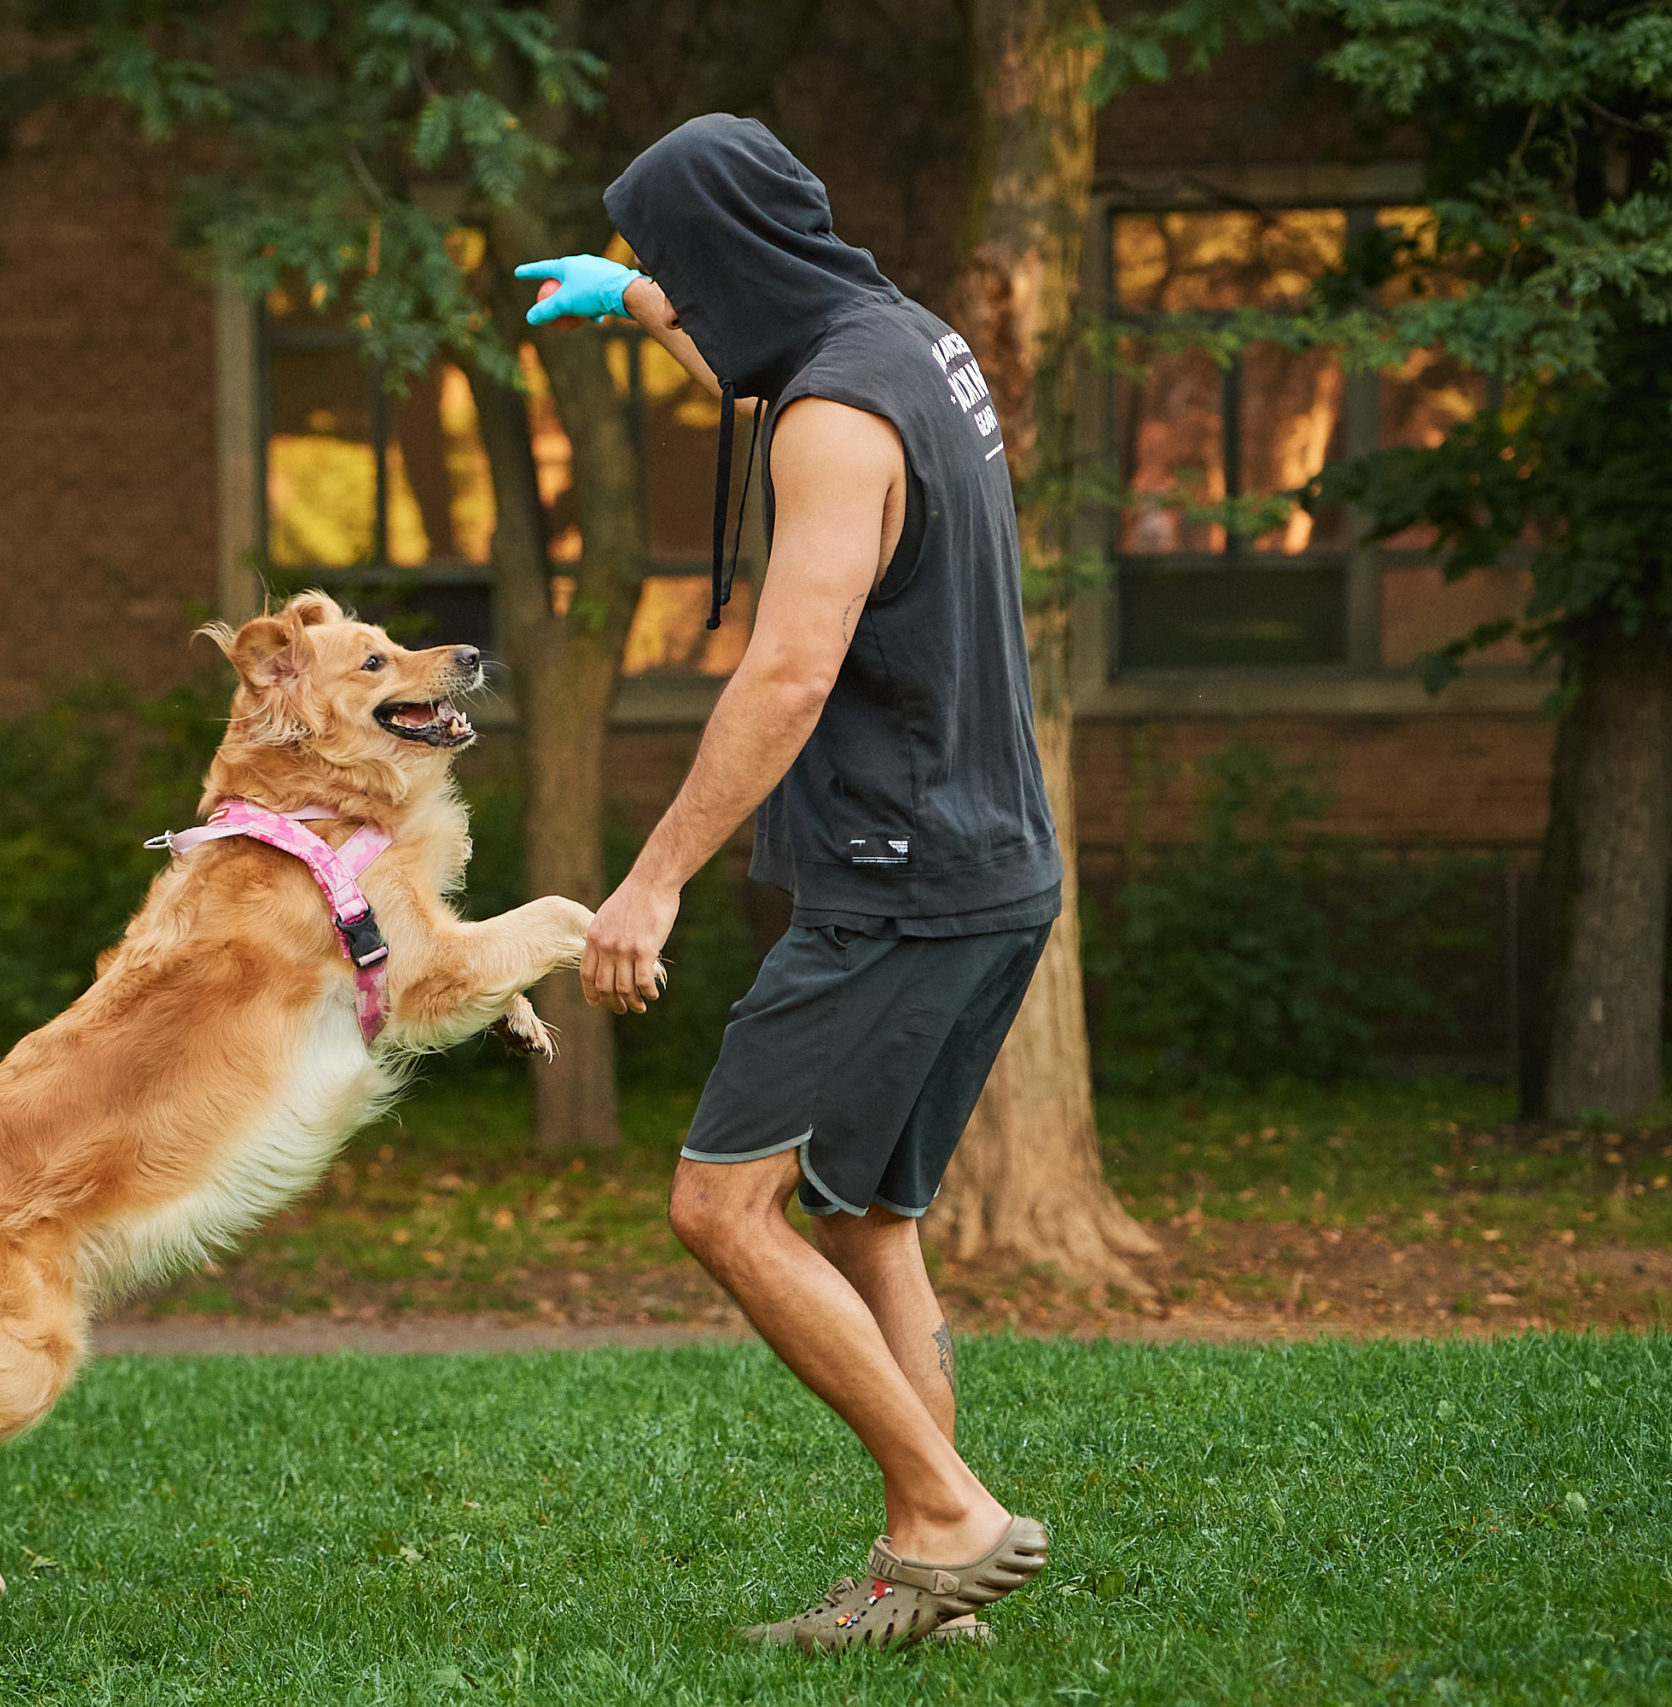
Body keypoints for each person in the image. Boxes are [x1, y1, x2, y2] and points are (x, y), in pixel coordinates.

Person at [516, 114, 1059, 1652]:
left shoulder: (831, 420)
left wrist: (653, 882)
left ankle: (949, 1517)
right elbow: (763, 353)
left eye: (671, 261)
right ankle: (929, 1578)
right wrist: (634, 303)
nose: (669, 288)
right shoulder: (907, 340)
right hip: (992, 867)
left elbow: (791, 669)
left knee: (721, 1207)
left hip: (894, 881)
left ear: (731, 256)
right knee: (869, 1218)